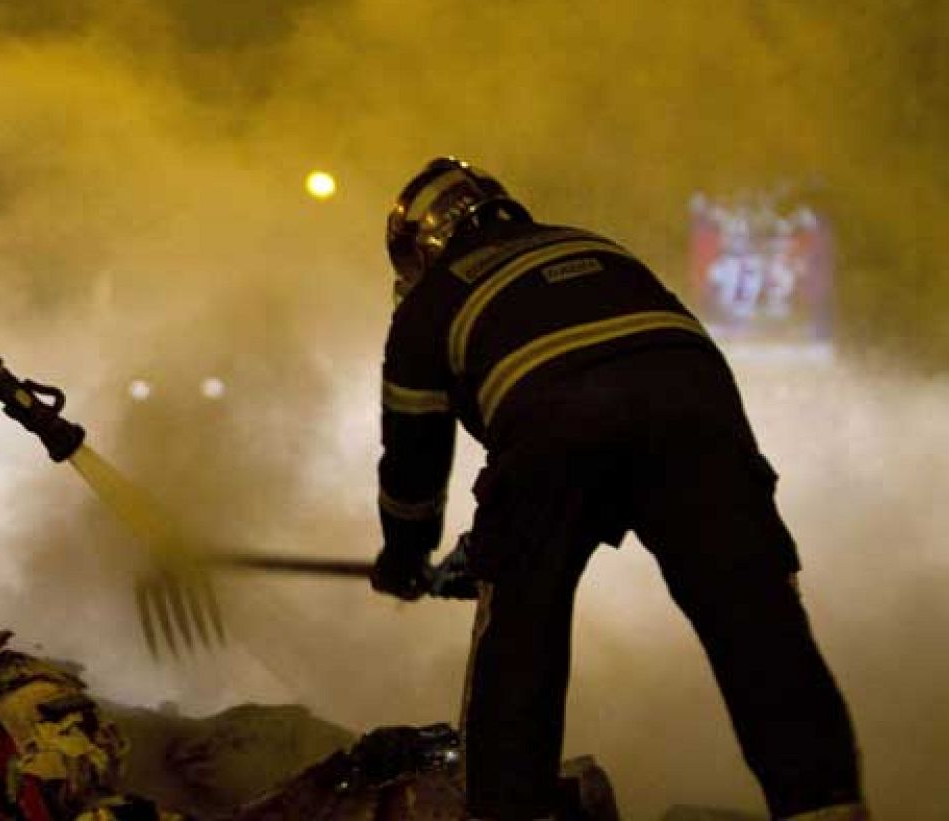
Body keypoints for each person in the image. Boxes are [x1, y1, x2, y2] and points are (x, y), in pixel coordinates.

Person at [367, 157, 867, 821]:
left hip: (554, 428)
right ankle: (825, 805)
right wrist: (482, 547)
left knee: (521, 635)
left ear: (423, 246)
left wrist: (405, 556)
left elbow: (415, 464)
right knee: (756, 622)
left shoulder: (431, 303)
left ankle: (509, 810)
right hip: (700, 415)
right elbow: (630, 385)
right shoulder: (592, 243)